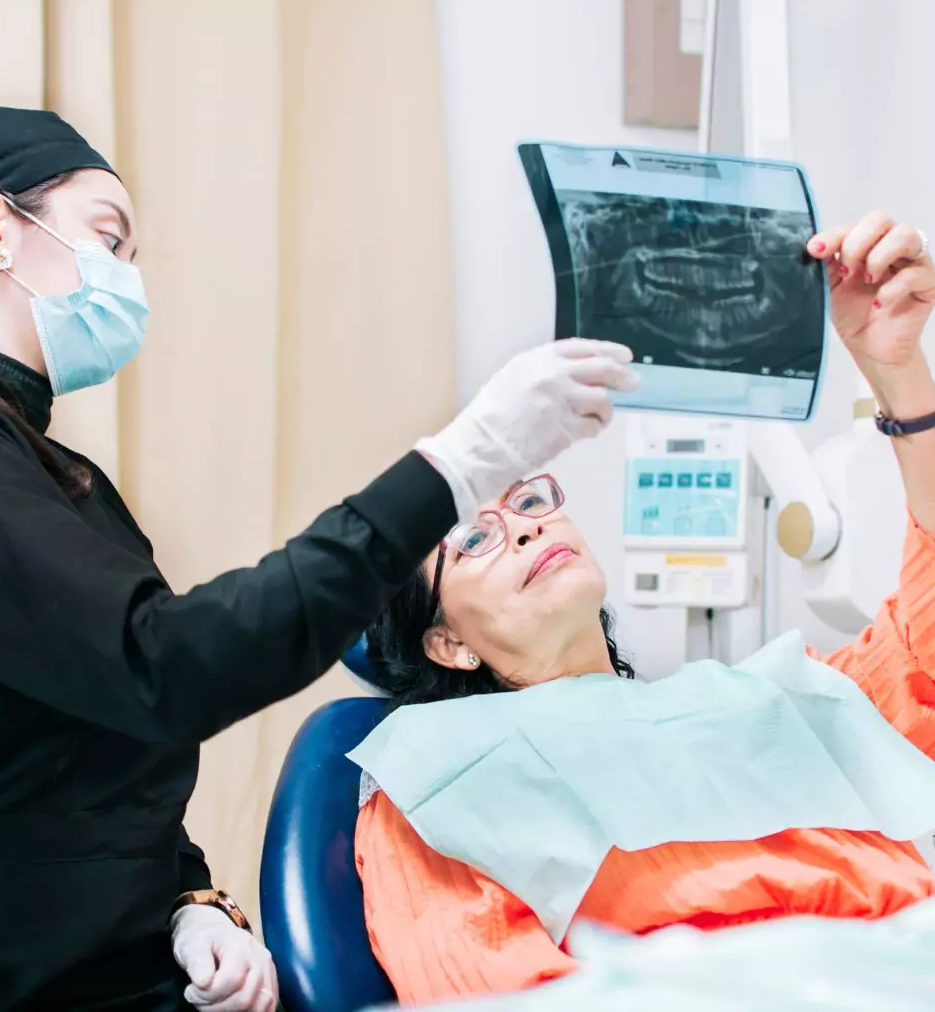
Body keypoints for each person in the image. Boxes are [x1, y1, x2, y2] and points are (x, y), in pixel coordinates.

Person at [0, 107, 636, 1012]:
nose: (127, 281)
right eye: (107, 239)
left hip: (141, 970)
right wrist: (457, 466)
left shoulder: (65, 482)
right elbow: (166, 667)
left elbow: (105, 748)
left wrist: (190, 901)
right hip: (22, 983)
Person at [354, 212, 935, 1007]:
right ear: (448, 642)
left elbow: (923, 646)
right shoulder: (432, 776)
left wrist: (896, 371)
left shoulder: (767, 698)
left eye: (528, 497)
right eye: (473, 537)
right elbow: (484, 990)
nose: (525, 523)